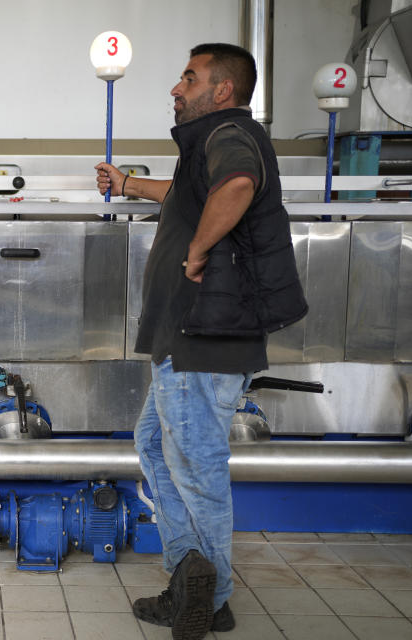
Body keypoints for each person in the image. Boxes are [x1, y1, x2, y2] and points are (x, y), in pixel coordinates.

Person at [96, 43, 307, 639]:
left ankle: (209, 597)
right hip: (185, 335)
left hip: (204, 336)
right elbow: (189, 195)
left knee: (196, 465)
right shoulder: (209, 144)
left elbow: (236, 185)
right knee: (159, 447)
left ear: (221, 91)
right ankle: (191, 568)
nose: (175, 87)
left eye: (188, 77)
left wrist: (196, 250)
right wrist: (131, 184)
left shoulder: (231, 137)